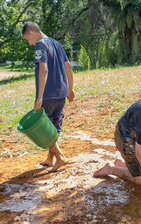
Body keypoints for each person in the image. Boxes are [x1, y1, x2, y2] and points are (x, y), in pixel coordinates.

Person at [22, 22, 75, 172]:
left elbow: (43, 70)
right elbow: (68, 66)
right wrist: (71, 89)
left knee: (45, 129)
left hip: (48, 94)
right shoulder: (56, 43)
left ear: (32, 33)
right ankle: (50, 159)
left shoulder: (40, 44)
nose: (30, 43)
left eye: (28, 39)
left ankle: (60, 157)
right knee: (54, 126)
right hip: (61, 93)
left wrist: (39, 97)